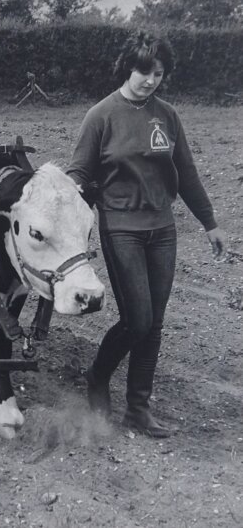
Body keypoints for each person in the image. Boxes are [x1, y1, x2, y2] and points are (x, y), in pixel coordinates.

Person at [67, 30, 226, 438]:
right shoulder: (101, 116)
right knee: (137, 319)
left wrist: (210, 223)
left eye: (158, 73)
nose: (150, 80)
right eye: (143, 71)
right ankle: (98, 375)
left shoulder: (168, 116)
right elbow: (78, 175)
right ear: (127, 68)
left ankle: (137, 408)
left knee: (153, 323)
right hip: (121, 229)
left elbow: (186, 173)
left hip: (163, 230)